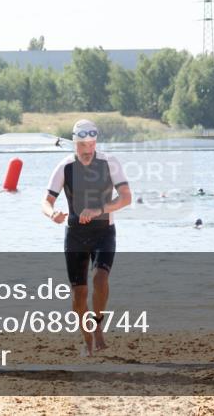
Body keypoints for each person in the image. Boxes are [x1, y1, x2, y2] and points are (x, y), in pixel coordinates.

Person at [41, 119, 132, 356]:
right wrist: (53, 214)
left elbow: (126, 198)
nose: (87, 150)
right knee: (78, 296)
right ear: (75, 143)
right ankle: (87, 338)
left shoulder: (110, 163)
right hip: (75, 236)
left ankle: (98, 324)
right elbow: (46, 201)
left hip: (104, 232)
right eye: (83, 145)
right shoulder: (65, 167)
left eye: (91, 144)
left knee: (100, 280)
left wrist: (99, 210)